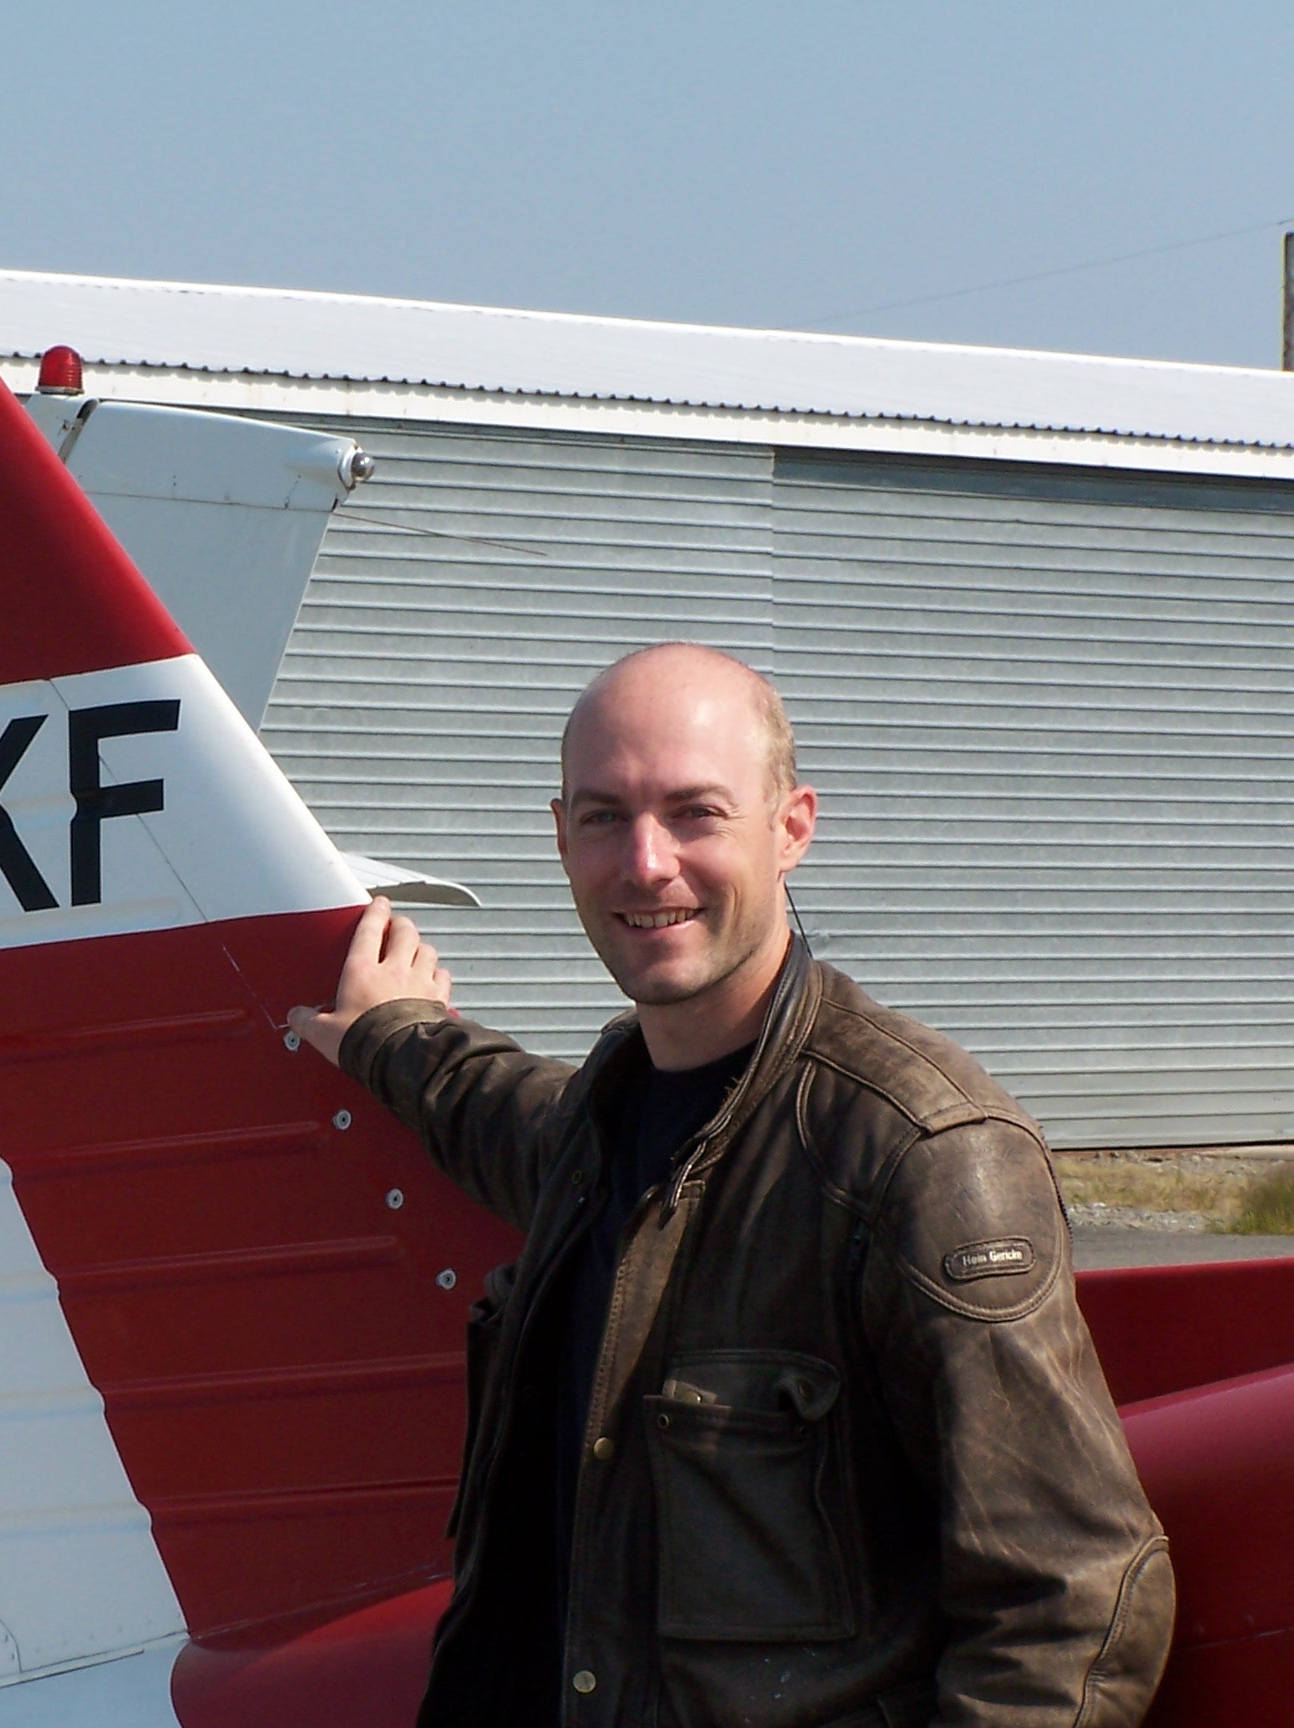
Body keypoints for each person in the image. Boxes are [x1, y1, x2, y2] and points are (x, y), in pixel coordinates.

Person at [289, 644, 1172, 1728]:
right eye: (604, 817)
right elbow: (504, 1116)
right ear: (560, 835)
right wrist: (394, 1036)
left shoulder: (922, 1155)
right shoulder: (606, 1123)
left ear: (792, 827)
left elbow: (1074, 1604)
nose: (646, 863)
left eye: (695, 813)